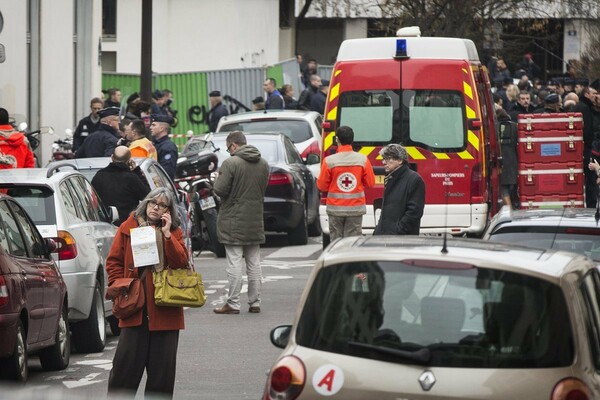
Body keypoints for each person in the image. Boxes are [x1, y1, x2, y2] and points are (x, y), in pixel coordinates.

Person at [106, 187, 188, 398]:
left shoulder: (175, 231)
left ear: (169, 211)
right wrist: (120, 285)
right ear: (146, 203)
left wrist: (167, 235)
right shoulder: (128, 226)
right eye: (153, 202)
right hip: (134, 307)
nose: (156, 208)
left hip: (166, 310)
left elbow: (181, 262)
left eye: (162, 205)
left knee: (162, 377)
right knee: (123, 374)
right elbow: (113, 261)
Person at [213, 131, 269, 315]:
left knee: (234, 263)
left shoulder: (231, 163)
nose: (229, 152)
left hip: (233, 219)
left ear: (234, 145)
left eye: (229, 148)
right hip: (255, 218)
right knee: (254, 263)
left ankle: (233, 303)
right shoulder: (263, 164)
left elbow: (220, 190)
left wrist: (217, 179)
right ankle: (255, 302)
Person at [317, 126, 375, 241]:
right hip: (355, 209)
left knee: (336, 243)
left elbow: (322, 186)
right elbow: (370, 183)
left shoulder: (329, 161)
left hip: (335, 209)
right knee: (352, 242)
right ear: (352, 140)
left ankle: (337, 259)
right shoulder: (362, 160)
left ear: (337, 140)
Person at [373, 143, 425, 235]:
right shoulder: (391, 178)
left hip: (401, 240)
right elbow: (386, 210)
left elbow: (414, 212)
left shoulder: (414, 180)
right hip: (386, 237)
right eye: (383, 159)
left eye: (388, 159)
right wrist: (377, 231)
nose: (384, 162)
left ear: (400, 160)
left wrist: (398, 231)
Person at [91, 146, 150, 226]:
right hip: (127, 224)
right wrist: (137, 171)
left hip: (104, 225)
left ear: (112, 157)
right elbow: (147, 195)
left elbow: (91, 201)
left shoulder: (99, 176)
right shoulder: (132, 178)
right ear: (129, 160)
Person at [496, 109, 519, 208]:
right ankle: (514, 205)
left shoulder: (494, 127)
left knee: (503, 187)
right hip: (514, 160)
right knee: (514, 186)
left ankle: (508, 209)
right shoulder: (515, 126)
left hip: (500, 161)